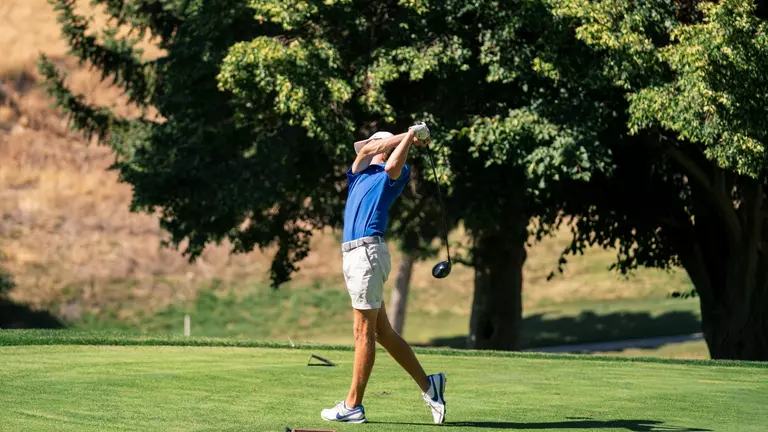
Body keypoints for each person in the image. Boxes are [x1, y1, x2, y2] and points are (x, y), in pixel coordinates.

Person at [321, 123, 447, 425]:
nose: (369, 150)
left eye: (378, 145)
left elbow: (391, 164)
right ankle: (430, 385)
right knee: (382, 332)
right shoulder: (358, 173)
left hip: (367, 253)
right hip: (355, 255)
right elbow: (368, 149)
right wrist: (409, 135)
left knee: (362, 331)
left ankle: (353, 406)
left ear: (388, 148)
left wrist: (408, 138)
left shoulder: (395, 174)